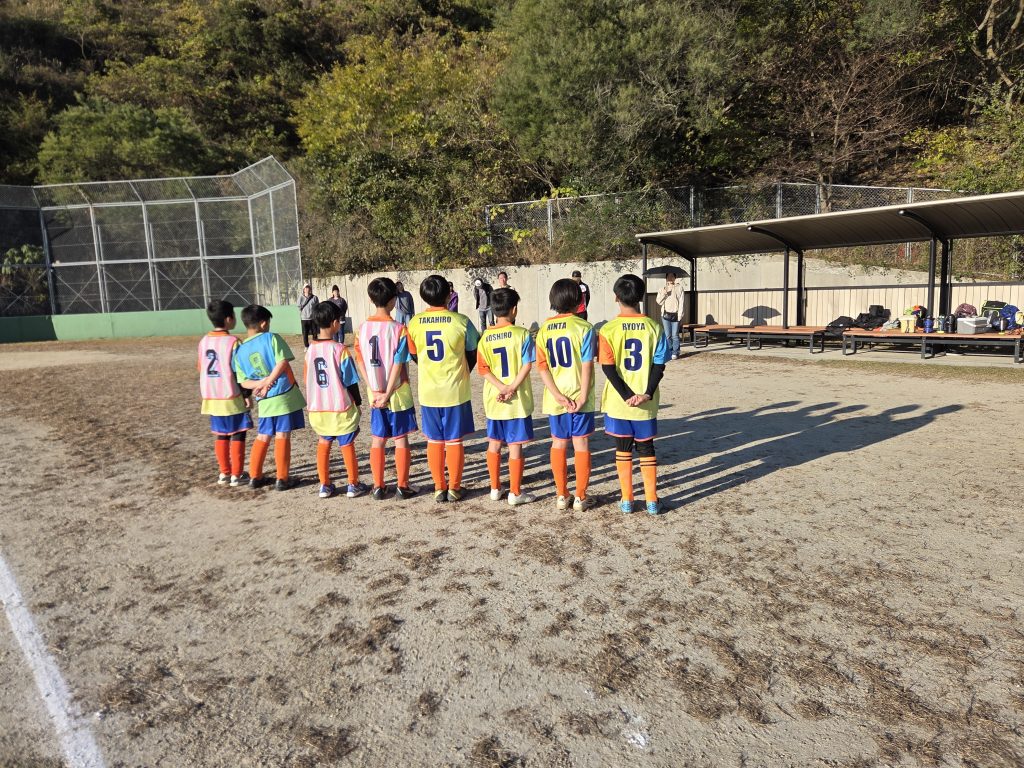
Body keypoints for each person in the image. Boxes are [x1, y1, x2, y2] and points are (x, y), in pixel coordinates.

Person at [598, 274, 669, 515]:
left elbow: (608, 368)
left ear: (616, 297)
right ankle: (652, 501)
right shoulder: (654, 327)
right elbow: (659, 365)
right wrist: (646, 393)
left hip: (620, 402)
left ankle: (627, 499)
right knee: (646, 448)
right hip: (645, 403)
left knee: (623, 448)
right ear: (641, 297)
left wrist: (626, 395)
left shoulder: (608, 329)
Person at [406, 274, 479, 503]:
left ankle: (439, 487)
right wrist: (463, 371)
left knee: (434, 440)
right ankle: (454, 488)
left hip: (429, 391)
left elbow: (414, 354)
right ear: (449, 295)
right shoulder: (462, 321)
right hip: (455, 391)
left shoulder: (414, 323)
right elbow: (473, 352)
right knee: (454, 440)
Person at [354, 277, 418, 501]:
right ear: (393, 301)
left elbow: (360, 361)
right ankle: (402, 486)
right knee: (400, 438)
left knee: (378, 439)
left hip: (374, 393)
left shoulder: (362, 329)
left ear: (371, 299)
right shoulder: (399, 329)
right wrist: (388, 393)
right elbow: (399, 363)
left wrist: (374, 389)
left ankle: (378, 486)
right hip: (397, 392)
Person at [535, 279, 596, 512]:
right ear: (579, 300)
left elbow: (542, 367)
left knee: (558, 442)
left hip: (556, 397)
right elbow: (587, 364)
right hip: (579, 396)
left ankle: (561, 494)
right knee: (581, 443)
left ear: (553, 301)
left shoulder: (544, 329)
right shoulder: (585, 328)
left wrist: (557, 395)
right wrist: (582, 396)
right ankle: (580, 496)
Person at [233, 305, 307, 491]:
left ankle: (254, 476)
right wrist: (268, 382)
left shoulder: (240, 350)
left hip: (264, 400)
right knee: (282, 434)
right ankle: (282, 478)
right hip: (283, 394)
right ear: (263, 323)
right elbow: (282, 362)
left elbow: (243, 382)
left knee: (263, 435)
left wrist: (260, 384)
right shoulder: (271, 338)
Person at [476, 288, 535, 506]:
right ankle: (515, 492)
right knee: (515, 445)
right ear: (514, 309)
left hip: (494, 398)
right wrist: (511, 387)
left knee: (494, 443)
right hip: (516, 401)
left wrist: (501, 387)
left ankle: (494, 488)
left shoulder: (485, 336)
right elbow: (527, 365)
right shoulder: (522, 334)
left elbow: (482, 369)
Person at [306, 302, 367, 499]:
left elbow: (308, 377)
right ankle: (353, 484)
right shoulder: (340, 350)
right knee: (346, 444)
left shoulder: (310, 351)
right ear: (334, 323)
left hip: (318, 407)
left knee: (324, 442)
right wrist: (358, 402)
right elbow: (350, 381)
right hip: (340, 406)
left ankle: (324, 485)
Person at [198, 299, 253, 487]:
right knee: (238, 433)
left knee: (221, 435)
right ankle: (237, 474)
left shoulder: (204, 341)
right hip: (231, 395)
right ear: (229, 319)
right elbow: (240, 371)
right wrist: (246, 394)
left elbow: (201, 368)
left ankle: (224, 473)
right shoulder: (233, 342)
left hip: (212, 397)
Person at [656, 272, 684, 360]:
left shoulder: (679, 288)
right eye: (668, 276)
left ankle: (676, 352)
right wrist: (665, 292)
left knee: (675, 335)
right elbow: (659, 302)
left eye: (672, 276)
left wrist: (680, 315)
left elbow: (681, 302)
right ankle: (670, 351)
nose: (670, 278)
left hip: (676, 314)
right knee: (667, 335)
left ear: (675, 278)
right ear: (666, 278)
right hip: (665, 314)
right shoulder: (662, 289)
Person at [299, 284, 319, 348]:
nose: (307, 289)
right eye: (306, 288)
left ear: (310, 289)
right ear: (304, 289)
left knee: (315, 333)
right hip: (304, 319)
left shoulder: (314, 297)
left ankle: (315, 346)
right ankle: (306, 346)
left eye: (308, 288)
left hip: (313, 318)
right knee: (305, 334)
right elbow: (299, 306)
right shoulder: (300, 297)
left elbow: (317, 306)